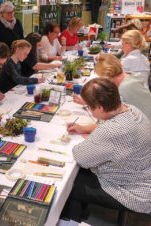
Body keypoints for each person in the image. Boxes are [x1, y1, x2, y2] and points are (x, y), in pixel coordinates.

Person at [61, 78, 151, 222]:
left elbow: (80, 156)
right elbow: (108, 126)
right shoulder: (132, 109)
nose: (90, 111)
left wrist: (94, 140)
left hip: (135, 192)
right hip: (143, 174)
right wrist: (85, 129)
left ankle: (71, 219)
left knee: (69, 183)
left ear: (100, 107)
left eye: (89, 108)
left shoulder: (111, 131)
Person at [74, 53, 151, 121]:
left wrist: (83, 129)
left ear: (107, 75)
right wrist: (88, 102)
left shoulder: (123, 90)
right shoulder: (130, 76)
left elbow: (111, 122)